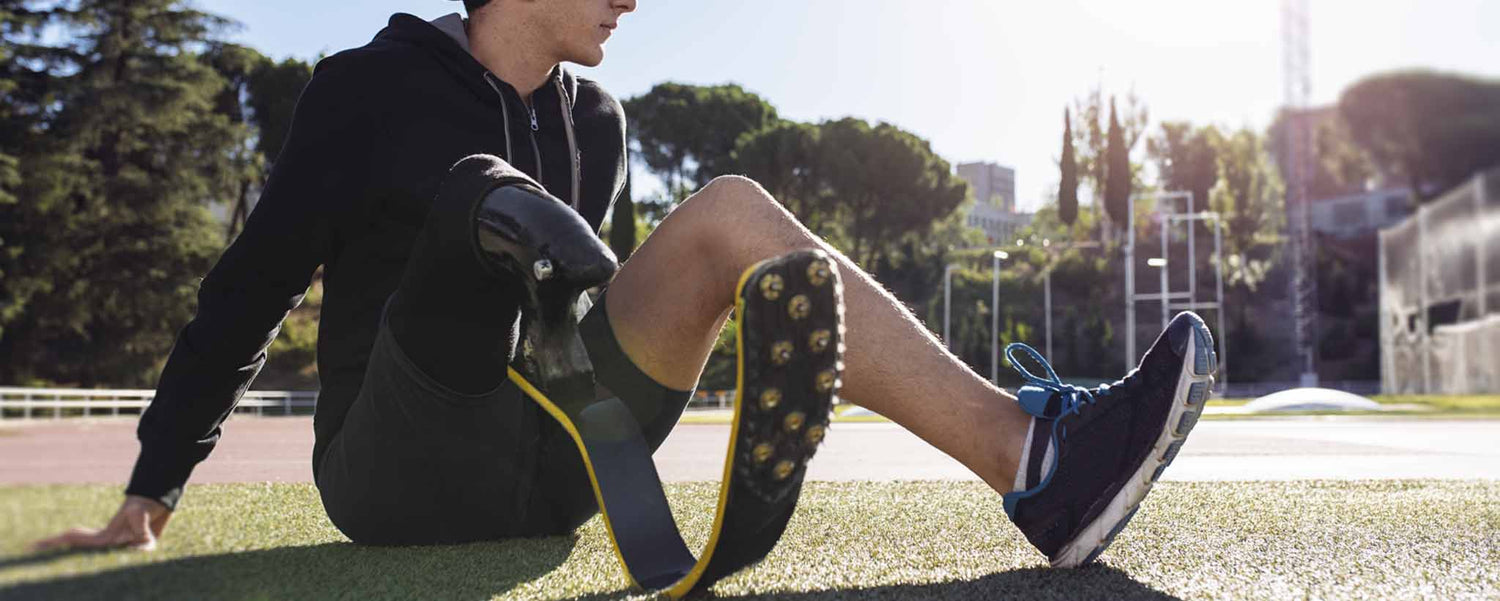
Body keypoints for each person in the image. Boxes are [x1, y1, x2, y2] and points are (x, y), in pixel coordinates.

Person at [32, 0, 1215, 569]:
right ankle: (528, 262)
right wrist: (153, 487)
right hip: (391, 458)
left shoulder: (600, 124)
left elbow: (594, 296)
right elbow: (249, 292)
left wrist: (625, 326)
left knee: (736, 213)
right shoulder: (363, 88)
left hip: (550, 459)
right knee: (474, 193)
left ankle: (1041, 468)